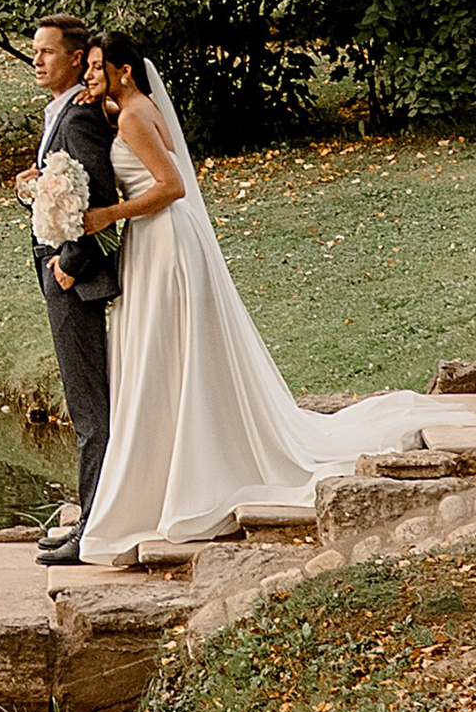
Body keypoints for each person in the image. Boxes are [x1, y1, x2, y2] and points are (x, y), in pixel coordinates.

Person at [75, 32, 430, 563]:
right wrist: (99, 102)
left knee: (165, 353)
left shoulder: (130, 116)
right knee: (169, 353)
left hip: (162, 239)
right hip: (159, 241)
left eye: (98, 68)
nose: (89, 76)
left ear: (124, 70)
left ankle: (179, 476)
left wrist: (108, 216)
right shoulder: (132, 106)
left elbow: (170, 185)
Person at [13, 16, 121, 567]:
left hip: (72, 281)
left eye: (48, 52)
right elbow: (63, 194)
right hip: (59, 270)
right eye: (35, 51)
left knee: (90, 410)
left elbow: (97, 198)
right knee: (87, 405)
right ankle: (91, 515)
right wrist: (31, 192)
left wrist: (71, 264)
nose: (37, 61)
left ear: (77, 59)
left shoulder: (78, 119)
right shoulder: (61, 112)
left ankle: (94, 529)